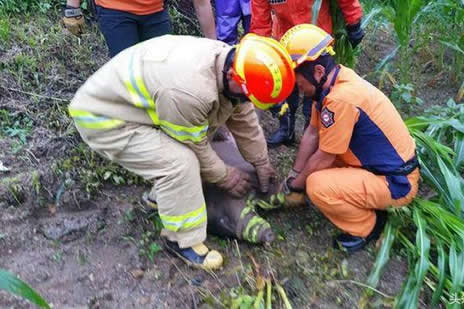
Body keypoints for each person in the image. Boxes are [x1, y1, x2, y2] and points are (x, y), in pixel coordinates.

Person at [68, 34, 296, 269]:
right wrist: (225, 176)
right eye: (248, 95)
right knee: (179, 162)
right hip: (104, 117)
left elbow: (242, 114)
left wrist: (261, 161)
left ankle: (161, 198)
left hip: (143, 101)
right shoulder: (191, 91)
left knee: (190, 142)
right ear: (232, 75)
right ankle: (181, 239)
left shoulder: (234, 63)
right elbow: (194, 145)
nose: (248, 100)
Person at [278, 25, 420, 253]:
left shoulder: (340, 100)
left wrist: (298, 185)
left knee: (317, 185)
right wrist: (294, 175)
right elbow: (312, 134)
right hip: (380, 168)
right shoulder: (331, 84)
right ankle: (364, 199)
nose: (298, 88)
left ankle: (368, 226)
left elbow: (324, 156)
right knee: (312, 171)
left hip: (397, 183)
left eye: (298, 82)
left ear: (317, 73)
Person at [250, 0, 364, 147]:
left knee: (315, 88)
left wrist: (353, 22)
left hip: (317, 40)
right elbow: (260, 20)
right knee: (288, 87)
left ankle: (311, 132)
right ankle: (286, 130)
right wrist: (261, 49)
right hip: (287, 40)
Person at [62, 0, 216, 57]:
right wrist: (72, 8)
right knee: (125, 72)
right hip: (114, 9)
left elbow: (202, 4)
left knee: (160, 70)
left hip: (155, 11)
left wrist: (213, 47)